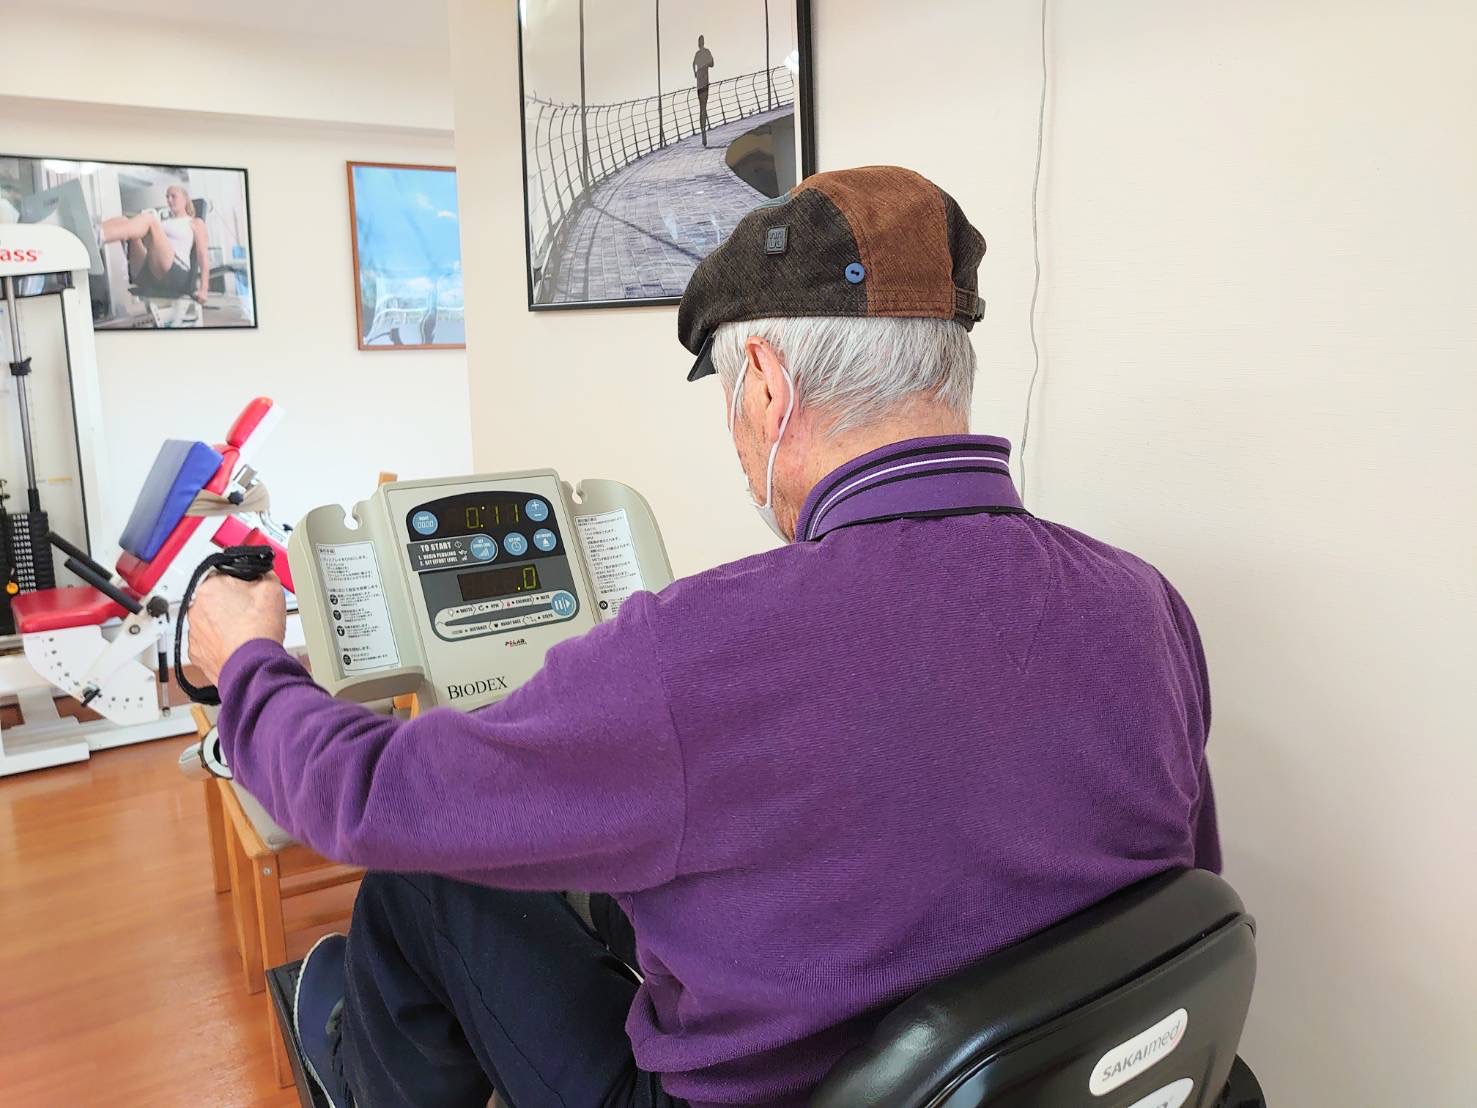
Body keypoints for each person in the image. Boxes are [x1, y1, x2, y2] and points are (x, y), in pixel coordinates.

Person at [187, 165, 1219, 1108]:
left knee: (425, 879)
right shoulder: (1143, 603)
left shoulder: (695, 649)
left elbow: (367, 799)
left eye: (731, 399)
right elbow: (1170, 892)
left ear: (767, 383)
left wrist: (247, 664)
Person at [98, 183, 209, 307]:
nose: (169, 200)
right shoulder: (164, 222)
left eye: (173, 196)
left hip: (176, 272)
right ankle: (95, 232)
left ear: (185, 199)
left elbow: (202, 254)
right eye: (167, 197)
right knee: (124, 220)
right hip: (151, 271)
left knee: (150, 219)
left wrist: (204, 289)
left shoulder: (195, 222)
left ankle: (100, 235)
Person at [693, 34, 715, 146]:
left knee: (701, 108)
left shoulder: (698, 54)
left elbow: (693, 64)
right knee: (703, 107)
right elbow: (712, 64)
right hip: (704, 84)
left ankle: (703, 131)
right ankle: (703, 131)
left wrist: (695, 73)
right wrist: (705, 65)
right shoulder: (706, 52)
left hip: (699, 85)